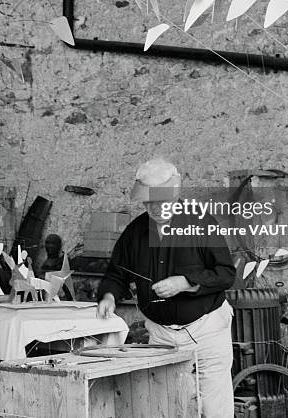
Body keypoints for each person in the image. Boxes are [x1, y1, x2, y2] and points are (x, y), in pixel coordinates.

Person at [97, 158, 237, 418]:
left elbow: (226, 274)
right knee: (168, 406)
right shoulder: (136, 231)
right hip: (161, 335)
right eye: (149, 202)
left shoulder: (201, 222)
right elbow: (116, 273)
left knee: (214, 409)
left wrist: (185, 282)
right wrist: (108, 296)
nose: (155, 208)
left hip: (205, 330)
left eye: (161, 201)